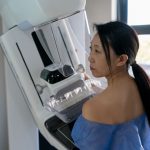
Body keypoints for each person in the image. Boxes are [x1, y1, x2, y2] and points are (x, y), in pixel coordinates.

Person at [71, 21, 150, 150]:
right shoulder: (141, 86)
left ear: (121, 60)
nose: (90, 58)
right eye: (91, 49)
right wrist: (94, 86)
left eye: (97, 51)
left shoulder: (92, 108)